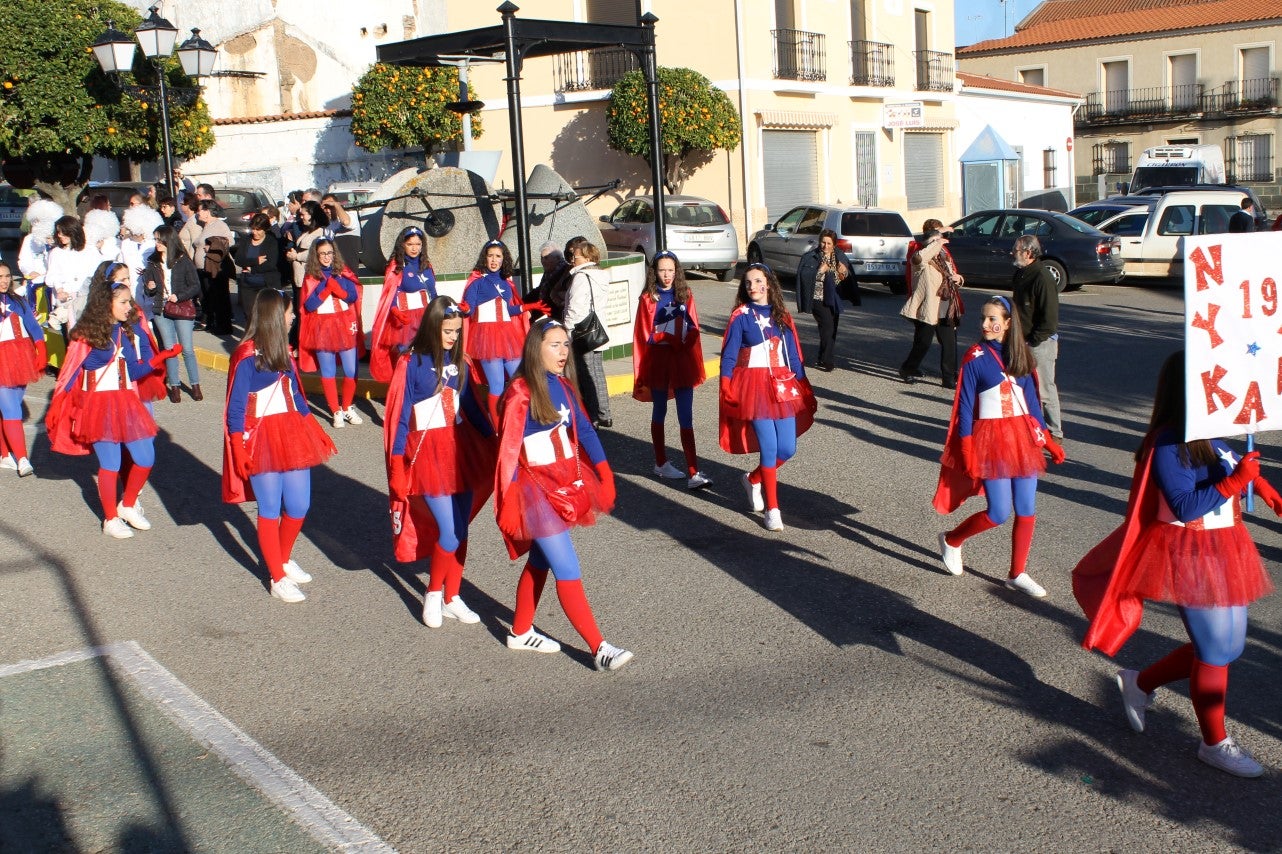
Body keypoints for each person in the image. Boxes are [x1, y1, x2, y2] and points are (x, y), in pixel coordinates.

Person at [1075, 351, 1276, 778]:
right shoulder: (1168, 441)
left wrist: (1262, 485)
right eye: (1211, 380)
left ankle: (1139, 683)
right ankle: (1214, 743)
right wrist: (1237, 483)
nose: (1219, 387)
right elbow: (1185, 505)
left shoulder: (1210, 434)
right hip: (1189, 551)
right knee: (1216, 650)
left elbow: (1230, 465)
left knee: (1228, 647)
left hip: (1225, 547)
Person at [494, 317, 633, 670]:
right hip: (534, 490)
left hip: (563, 482)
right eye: (553, 344)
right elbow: (507, 450)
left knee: (540, 561)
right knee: (567, 566)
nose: (562, 351)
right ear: (535, 348)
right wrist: (509, 500)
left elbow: (585, 431)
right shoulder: (521, 393)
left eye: (565, 344)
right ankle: (599, 647)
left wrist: (605, 473)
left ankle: (521, 631)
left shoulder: (564, 386)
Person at [933, 295, 1066, 598]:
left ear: (1008, 324)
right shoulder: (975, 357)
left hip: (1022, 440)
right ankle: (952, 539)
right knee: (999, 512)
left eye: (993, 319)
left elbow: (1032, 406)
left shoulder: (1021, 356)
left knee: (1027, 509)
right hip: (991, 442)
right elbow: (965, 409)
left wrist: (1048, 441)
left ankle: (1017, 573)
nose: (986, 324)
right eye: (983, 318)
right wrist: (966, 450)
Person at [385, 296, 497, 626]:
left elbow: (473, 408)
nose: (452, 337)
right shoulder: (411, 362)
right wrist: (396, 463)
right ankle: (433, 594)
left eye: (457, 331)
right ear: (434, 326)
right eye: (447, 331)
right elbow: (400, 416)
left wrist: (496, 442)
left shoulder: (460, 360)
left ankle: (453, 596)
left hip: (460, 450)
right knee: (448, 532)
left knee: (460, 531)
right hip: (427, 454)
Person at [46, 263, 179, 538]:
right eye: (124, 302)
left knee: (145, 456)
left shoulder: (121, 331)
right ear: (107, 304)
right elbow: (69, 377)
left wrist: (160, 358)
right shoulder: (86, 335)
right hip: (97, 406)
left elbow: (134, 370)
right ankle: (110, 519)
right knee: (111, 465)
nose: (129, 306)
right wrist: (65, 409)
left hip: (125, 401)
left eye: (129, 301)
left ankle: (127, 504)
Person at [223, 289, 337, 604]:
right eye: (289, 312)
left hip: (292, 432)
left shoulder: (283, 350)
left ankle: (283, 559)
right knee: (270, 509)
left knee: (299, 506)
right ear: (276, 316)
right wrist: (237, 447)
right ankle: (277, 576)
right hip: (260, 439)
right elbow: (234, 409)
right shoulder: (246, 356)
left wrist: (314, 428)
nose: (294, 316)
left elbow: (296, 396)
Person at [718, 263, 818, 532]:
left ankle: (753, 479)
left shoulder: (782, 315)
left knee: (787, 448)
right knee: (769, 448)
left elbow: (794, 354)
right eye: (748, 282)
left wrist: (804, 384)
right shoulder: (741, 315)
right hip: (754, 387)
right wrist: (726, 383)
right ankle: (773, 509)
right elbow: (729, 354)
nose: (753, 286)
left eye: (758, 281)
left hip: (783, 384)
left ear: (769, 284)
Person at [632, 251, 711, 489]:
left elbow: (693, 325)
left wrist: (687, 341)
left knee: (686, 415)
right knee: (660, 410)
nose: (666, 275)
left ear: (677, 271)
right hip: (658, 361)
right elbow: (643, 335)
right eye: (662, 270)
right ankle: (660, 462)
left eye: (670, 270)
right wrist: (664, 337)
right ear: (654, 272)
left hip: (682, 360)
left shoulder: (685, 294)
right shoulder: (648, 298)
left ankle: (693, 471)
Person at [462, 239, 538, 426]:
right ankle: (497, 427)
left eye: (498, 256)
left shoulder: (506, 283)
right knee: (496, 385)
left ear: (504, 259)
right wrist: (461, 308)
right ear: (484, 258)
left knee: (521, 378)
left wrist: (528, 307)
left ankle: (522, 419)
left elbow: (507, 310)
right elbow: (469, 310)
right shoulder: (476, 283)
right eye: (490, 256)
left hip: (507, 334)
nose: (494, 260)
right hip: (486, 337)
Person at [298, 238, 365, 427]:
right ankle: (336, 411)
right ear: (316, 256)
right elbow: (309, 306)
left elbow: (353, 296)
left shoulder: (343, 272)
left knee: (351, 370)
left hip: (344, 325)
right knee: (328, 371)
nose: (327, 257)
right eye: (322, 254)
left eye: (329, 253)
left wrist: (339, 290)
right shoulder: (311, 277)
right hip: (322, 327)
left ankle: (347, 407)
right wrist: (326, 289)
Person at [142, 225, 203, 402]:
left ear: (169, 240)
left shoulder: (183, 261)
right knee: (170, 350)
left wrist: (180, 296)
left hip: (182, 308)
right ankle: (175, 387)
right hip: (161, 309)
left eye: (159, 239)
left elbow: (195, 285)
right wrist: (150, 287)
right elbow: (149, 288)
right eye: (155, 239)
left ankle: (195, 385)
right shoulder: (152, 262)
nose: (157, 243)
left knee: (188, 350)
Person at [1010, 235, 1062, 440]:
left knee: (1045, 389)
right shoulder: (1021, 273)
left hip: (1040, 342)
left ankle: (1054, 432)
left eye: (1016, 249)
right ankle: (1029, 427)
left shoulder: (1042, 277)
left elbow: (1049, 319)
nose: (1012, 252)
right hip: (1021, 339)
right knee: (1023, 387)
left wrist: (1033, 340)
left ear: (1028, 253)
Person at [370, 226, 438, 383]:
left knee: (427, 359)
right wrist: (397, 312)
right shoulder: (396, 266)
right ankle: (404, 393)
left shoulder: (426, 265)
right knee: (407, 361)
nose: (415, 248)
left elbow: (433, 293)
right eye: (410, 244)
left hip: (426, 318)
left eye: (418, 244)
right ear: (402, 245)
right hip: (404, 321)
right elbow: (390, 295)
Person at [899, 228, 963, 388]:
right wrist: (936, 242)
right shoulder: (919, 260)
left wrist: (959, 279)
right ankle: (908, 369)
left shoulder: (944, 259)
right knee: (923, 343)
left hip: (945, 307)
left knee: (949, 344)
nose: (940, 247)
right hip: (927, 309)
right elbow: (921, 257)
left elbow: (955, 275)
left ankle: (948, 378)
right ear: (929, 244)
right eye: (936, 243)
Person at [0, 261, 45, 477]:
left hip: (20, 357)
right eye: (0, 276)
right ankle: (22, 458)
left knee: (11, 406)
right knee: (12, 410)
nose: (5, 280)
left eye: (7, 276)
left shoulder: (19, 300)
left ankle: (4, 454)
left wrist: (41, 349)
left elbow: (33, 326)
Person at [562, 236, 612, 428]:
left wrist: (566, 329)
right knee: (597, 372)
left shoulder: (581, 278)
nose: (573, 259)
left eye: (576, 256)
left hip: (582, 332)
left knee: (586, 374)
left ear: (586, 257)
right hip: (598, 329)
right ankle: (604, 412)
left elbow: (575, 308)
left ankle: (593, 415)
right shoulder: (600, 275)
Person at [795, 228, 853, 372]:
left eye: (828, 243)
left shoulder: (839, 256)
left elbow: (846, 274)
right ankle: (828, 361)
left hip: (834, 297)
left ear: (834, 244)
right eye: (823, 242)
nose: (825, 246)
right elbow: (803, 276)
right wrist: (819, 271)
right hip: (817, 298)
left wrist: (843, 272)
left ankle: (822, 356)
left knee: (830, 329)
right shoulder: (810, 257)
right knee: (828, 327)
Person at [45, 215, 103, 332]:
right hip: (65, 303)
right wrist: (60, 289)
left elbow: (97, 274)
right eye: (58, 232)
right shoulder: (56, 253)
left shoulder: (90, 251)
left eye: (63, 232)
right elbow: (52, 276)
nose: (60, 235)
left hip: (86, 301)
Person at [194, 199, 234, 334]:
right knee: (208, 297)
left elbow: (229, 241)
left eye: (200, 210)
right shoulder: (205, 226)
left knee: (219, 296)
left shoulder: (219, 224)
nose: (197, 213)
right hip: (203, 269)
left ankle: (224, 326)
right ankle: (211, 322)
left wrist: (212, 247)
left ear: (207, 211)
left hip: (215, 268)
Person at [234, 212, 281, 319]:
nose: (255, 232)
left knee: (266, 316)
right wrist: (255, 261)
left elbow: (271, 264)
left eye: (258, 229)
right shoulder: (246, 240)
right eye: (253, 229)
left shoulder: (271, 242)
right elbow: (238, 259)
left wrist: (252, 268)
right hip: (248, 285)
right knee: (250, 315)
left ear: (265, 229)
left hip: (266, 284)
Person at [285, 200, 330, 289]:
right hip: (302, 281)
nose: (301, 217)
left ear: (312, 215)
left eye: (303, 214)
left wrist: (296, 256)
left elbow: (318, 253)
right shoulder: (307, 232)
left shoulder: (321, 232)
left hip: (312, 281)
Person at [534, 242, 571, 322]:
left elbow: (550, 294)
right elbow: (540, 290)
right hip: (550, 313)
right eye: (542, 258)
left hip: (560, 316)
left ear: (557, 258)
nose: (543, 261)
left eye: (546, 258)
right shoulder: (549, 271)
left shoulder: (565, 271)